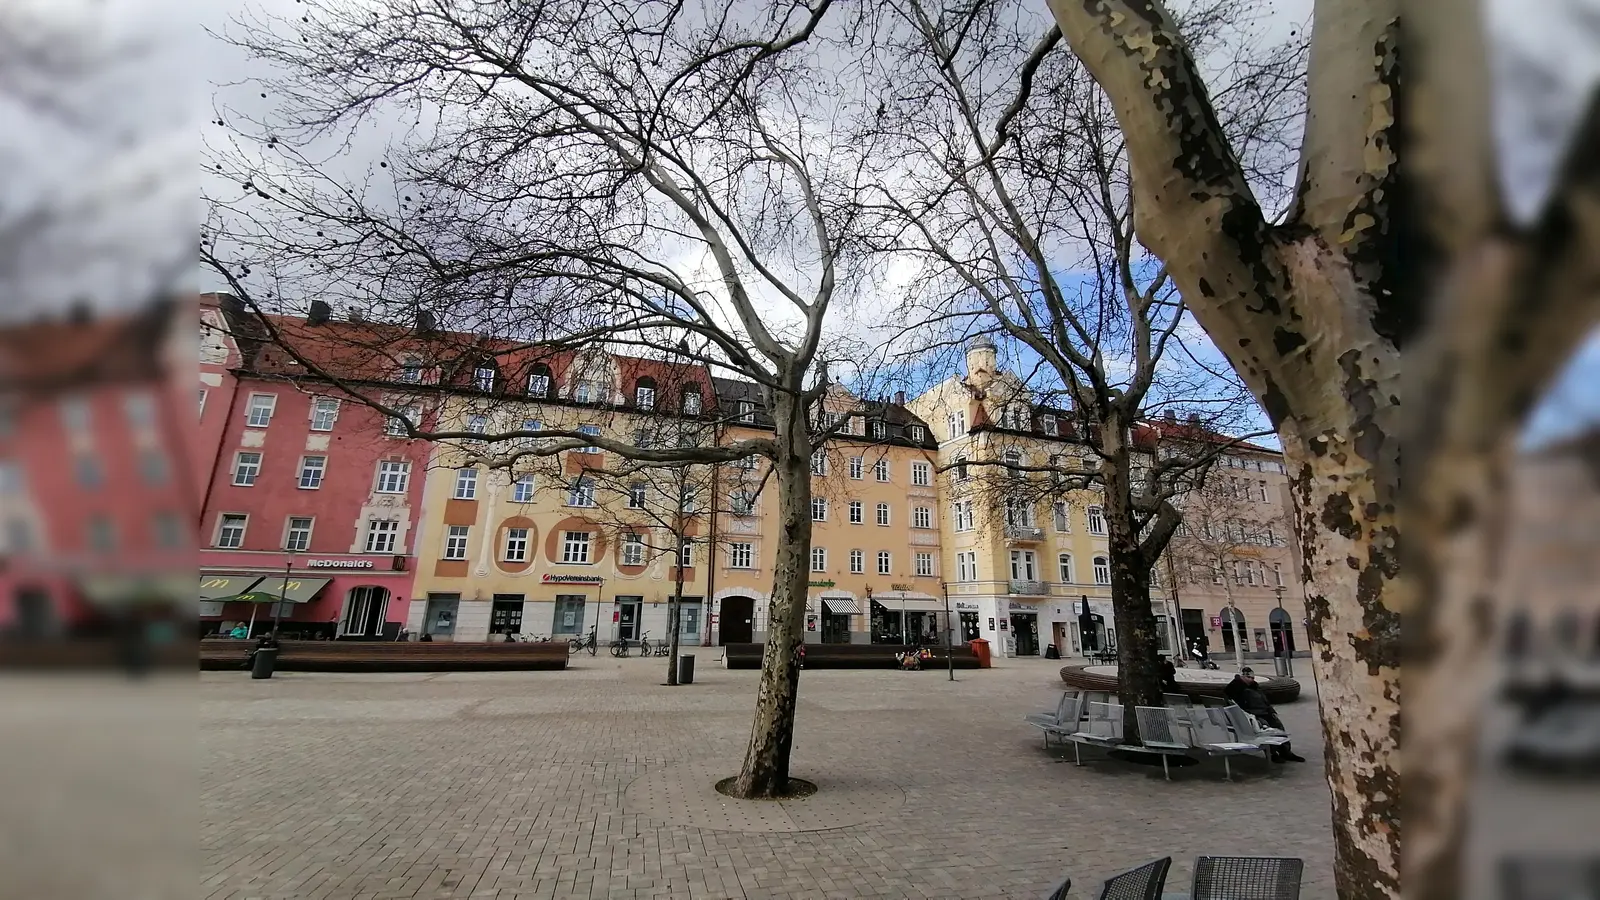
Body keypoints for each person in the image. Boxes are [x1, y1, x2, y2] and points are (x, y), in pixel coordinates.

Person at [1225, 667, 1306, 762]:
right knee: (1266, 729)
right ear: (1242, 677)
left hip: (1265, 712)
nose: (1251, 680)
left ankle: (1285, 751)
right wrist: (1249, 716)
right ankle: (1272, 753)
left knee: (1278, 726)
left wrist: (1271, 711)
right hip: (1253, 715)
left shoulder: (1254, 686)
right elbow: (1233, 704)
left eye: (1252, 678)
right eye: (1249, 677)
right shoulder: (1235, 687)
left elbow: (1264, 700)